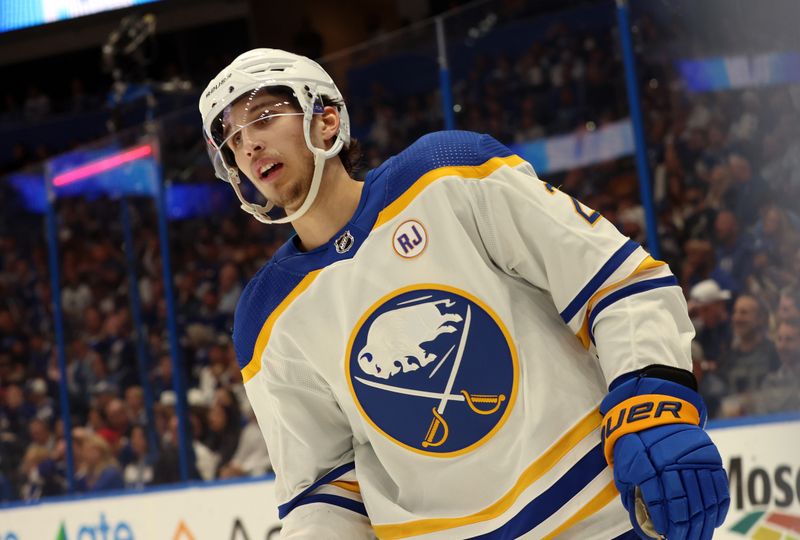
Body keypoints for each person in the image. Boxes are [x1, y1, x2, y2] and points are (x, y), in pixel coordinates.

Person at [200, 49, 730, 539]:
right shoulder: (265, 316)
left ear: (327, 119)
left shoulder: (448, 173)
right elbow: (323, 484)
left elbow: (614, 282)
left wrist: (649, 395)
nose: (248, 145)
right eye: (231, 139)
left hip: (600, 517)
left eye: (263, 118)